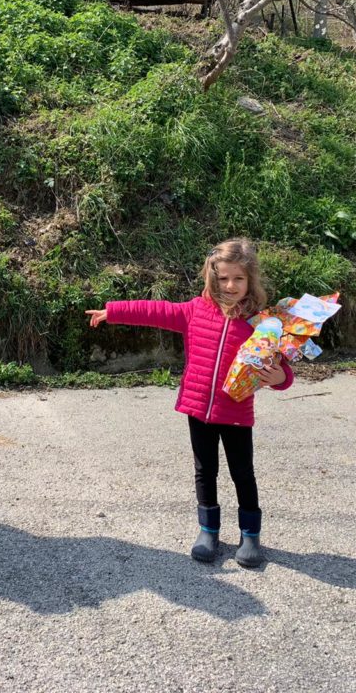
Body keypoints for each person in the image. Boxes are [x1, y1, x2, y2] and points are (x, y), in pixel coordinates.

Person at [85, 238, 293, 567]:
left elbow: (283, 368)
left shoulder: (262, 323)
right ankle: (208, 530)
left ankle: (250, 535)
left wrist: (280, 378)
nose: (230, 285)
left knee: (242, 473)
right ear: (212, 277)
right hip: (198, 410)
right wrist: (113, 311)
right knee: (204, 471)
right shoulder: (195, 310)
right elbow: (156, 311)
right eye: (223, 278)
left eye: (238, 278)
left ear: (250, 280)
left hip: (236, 412)